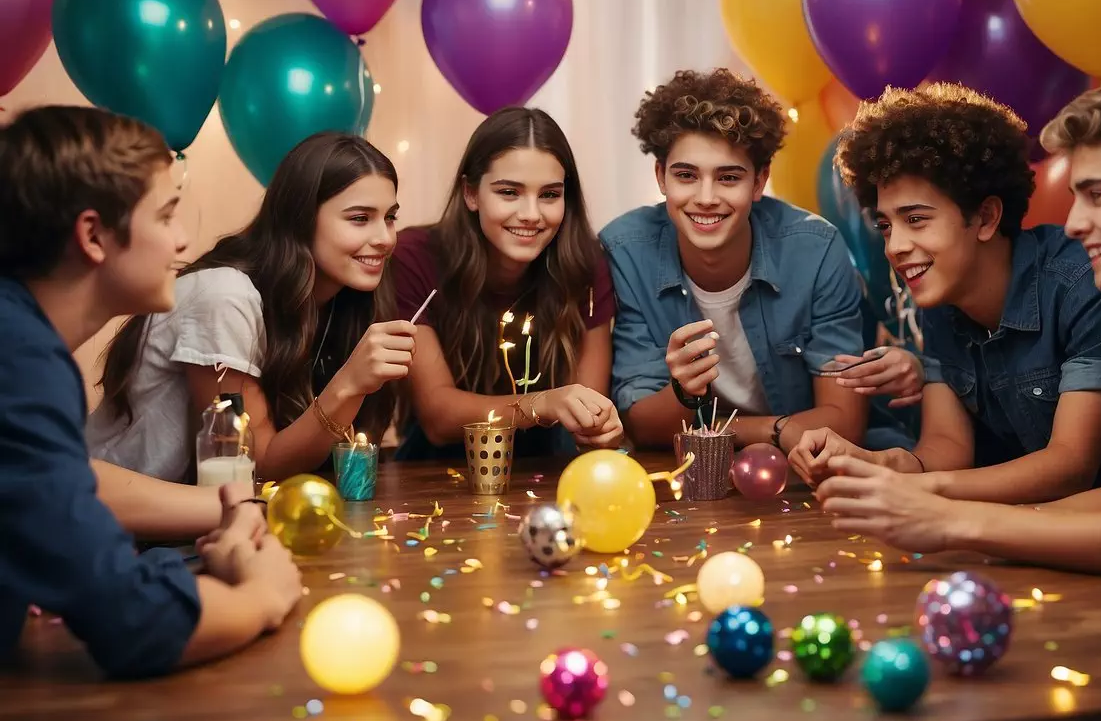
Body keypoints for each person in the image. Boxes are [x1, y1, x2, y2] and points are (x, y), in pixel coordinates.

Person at [814, 73, 1101, 581]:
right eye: (887, 226)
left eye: (1097, 195)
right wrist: (909, 483)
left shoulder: (1087, 286)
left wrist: (952, 516)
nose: (1073, 222)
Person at [0, 105, 300, 678]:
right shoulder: (20, 360)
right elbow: (131, 622)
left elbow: (63, 479)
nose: (183, 239)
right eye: (165, 216)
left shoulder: (20, 341)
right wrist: (263, 595)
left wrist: (228, 505)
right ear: (92, 235)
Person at [601, 68, 911, 454]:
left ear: (760, 181)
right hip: (691, 469)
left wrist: (742, 431)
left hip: (804, 468)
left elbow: (844, 421)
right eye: (686, 175)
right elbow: (642, 426)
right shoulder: (626, 249)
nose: (706, 197)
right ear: (661, 177)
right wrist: (690, 394)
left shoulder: (814, 250)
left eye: (728, 178)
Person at [89, 132, 413, 483]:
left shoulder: (344, 303)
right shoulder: (224, 295)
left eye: (390, 217)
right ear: (301, 218)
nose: (385, 238)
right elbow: (254, 467)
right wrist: (348, 385)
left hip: (220, 520)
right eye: (360, 218)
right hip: (115, 526)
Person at [392, 107, 623, 459]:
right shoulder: (415, 258)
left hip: (552, 468)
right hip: (438, 469)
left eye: (549, 195)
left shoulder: (585, 263)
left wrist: (598, 426)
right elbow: (438, 418)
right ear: (471, 193)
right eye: (509, 192)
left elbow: (589, 410)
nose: (531, 214)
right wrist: (542, 403)